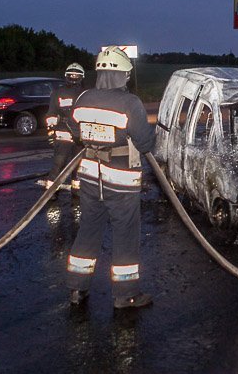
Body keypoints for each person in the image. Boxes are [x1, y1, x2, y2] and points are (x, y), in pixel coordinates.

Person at [65, 47, 155, 309]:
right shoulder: (130, 103)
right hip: (121, 179)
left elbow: (74, 129)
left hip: (90, 176)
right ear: (122, 76)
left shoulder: (83, 98)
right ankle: (125, 295)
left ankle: (76, 288)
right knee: (125, 233)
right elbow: (145, 142)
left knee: (88, 229)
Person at [40, 62, 87, 190]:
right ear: (66, 76)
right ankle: (51, 193)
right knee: (58, 165)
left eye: (76, 75)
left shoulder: (85, 94)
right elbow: (51, 114)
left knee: (78, 168)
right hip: (63, 135)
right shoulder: (58, 93)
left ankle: (76, 193)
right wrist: (51, 132)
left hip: (81, 136)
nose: (73, 77)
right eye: (71, 74)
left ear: (81, 77)